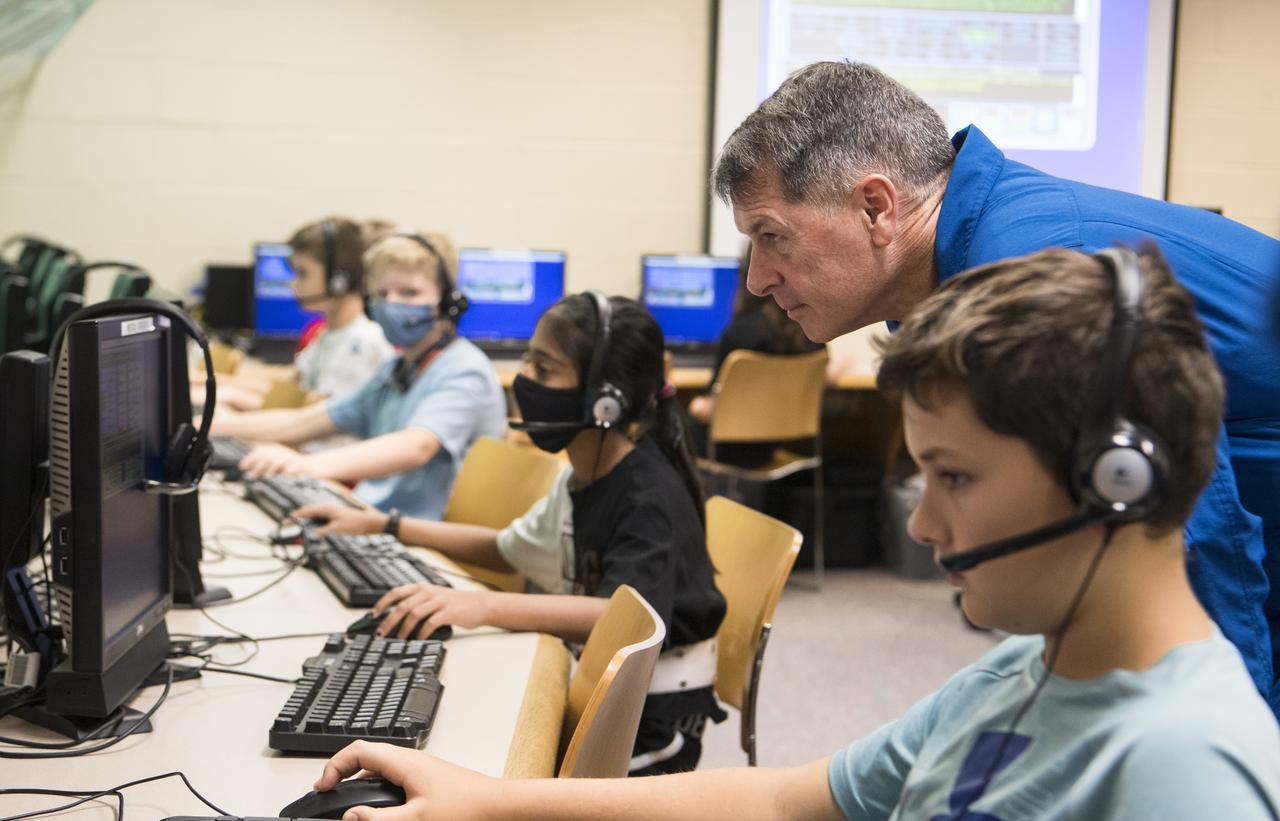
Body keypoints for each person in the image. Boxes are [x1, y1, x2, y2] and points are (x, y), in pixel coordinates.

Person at [310, 247, 1280, 820]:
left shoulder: (1181, 765)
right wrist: (492, 797)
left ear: (1112, 483)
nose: (920, 518)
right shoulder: (1017, 671)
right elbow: (781, 799)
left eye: (951, 476)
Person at [711, 60, 1280, 712]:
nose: (757, 279)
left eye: (772, 236)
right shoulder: (962, 274)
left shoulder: (1030, 273)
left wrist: (1223, 731)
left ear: (876, 206)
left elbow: (1179, 533)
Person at [294, 292, 728, 776]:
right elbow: (506, 552)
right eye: (527, 361)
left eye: (544, 369)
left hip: (651, 721)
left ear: (605, 399)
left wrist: (483, 607)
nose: (524, 380)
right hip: (603, 688)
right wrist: (387, 525)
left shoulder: (647, 494)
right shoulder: (583, 471)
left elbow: (624, 615)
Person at [210, 231, 507, 520]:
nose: (391, 303)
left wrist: (305, 465)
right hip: (372, 517)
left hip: (423, 536)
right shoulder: (396, 370)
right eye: (380, 293)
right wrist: (205, 426)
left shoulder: (465, 369)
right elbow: (303, 421)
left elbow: (417, 445)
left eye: (410, 292)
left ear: (447, 299)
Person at [196, 217, 394, 411]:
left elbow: (314, 410)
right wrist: (213, 382)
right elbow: (291, 386)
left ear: (338, 280)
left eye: (302, 273)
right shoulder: (329, 333)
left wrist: (230, 396)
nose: (293, 283)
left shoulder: (362, 343)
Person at [688, 247, 824, 468]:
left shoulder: (739, 334)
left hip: (723, 452)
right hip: (777, 448)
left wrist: (696, 405)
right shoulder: (813, 334)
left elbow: (711, 408)